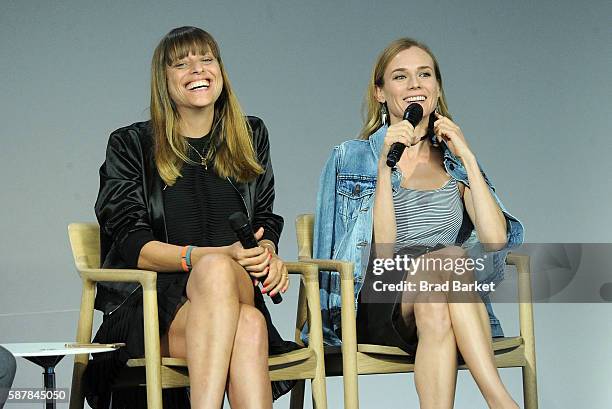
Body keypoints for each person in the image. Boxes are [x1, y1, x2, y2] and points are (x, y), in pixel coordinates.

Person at [85, 26, 295, 409]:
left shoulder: (250, 134)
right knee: (247, 325)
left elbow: (265, 217)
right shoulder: (130, 144)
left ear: (220, 70)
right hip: (152, 309)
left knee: (221, 276)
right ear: (164, 81)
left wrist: (266, 251)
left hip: (235, 289)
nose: (197, 70)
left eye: (206, 59)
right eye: (181, 64)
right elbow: (132, 243)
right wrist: (208, 256)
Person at [312, 38, 525, 408]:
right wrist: (383, 168)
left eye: (424, 74)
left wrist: (468, 157)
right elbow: (385, 249)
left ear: (437, 88)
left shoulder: (454, 162)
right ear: (380, 92)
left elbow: (495, 240)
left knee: (436, 308)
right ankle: (502, 401)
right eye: (400, 76)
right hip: (380, 294)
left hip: (443, 297)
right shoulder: (352, 157)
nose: (414, 84)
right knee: (450, 258)